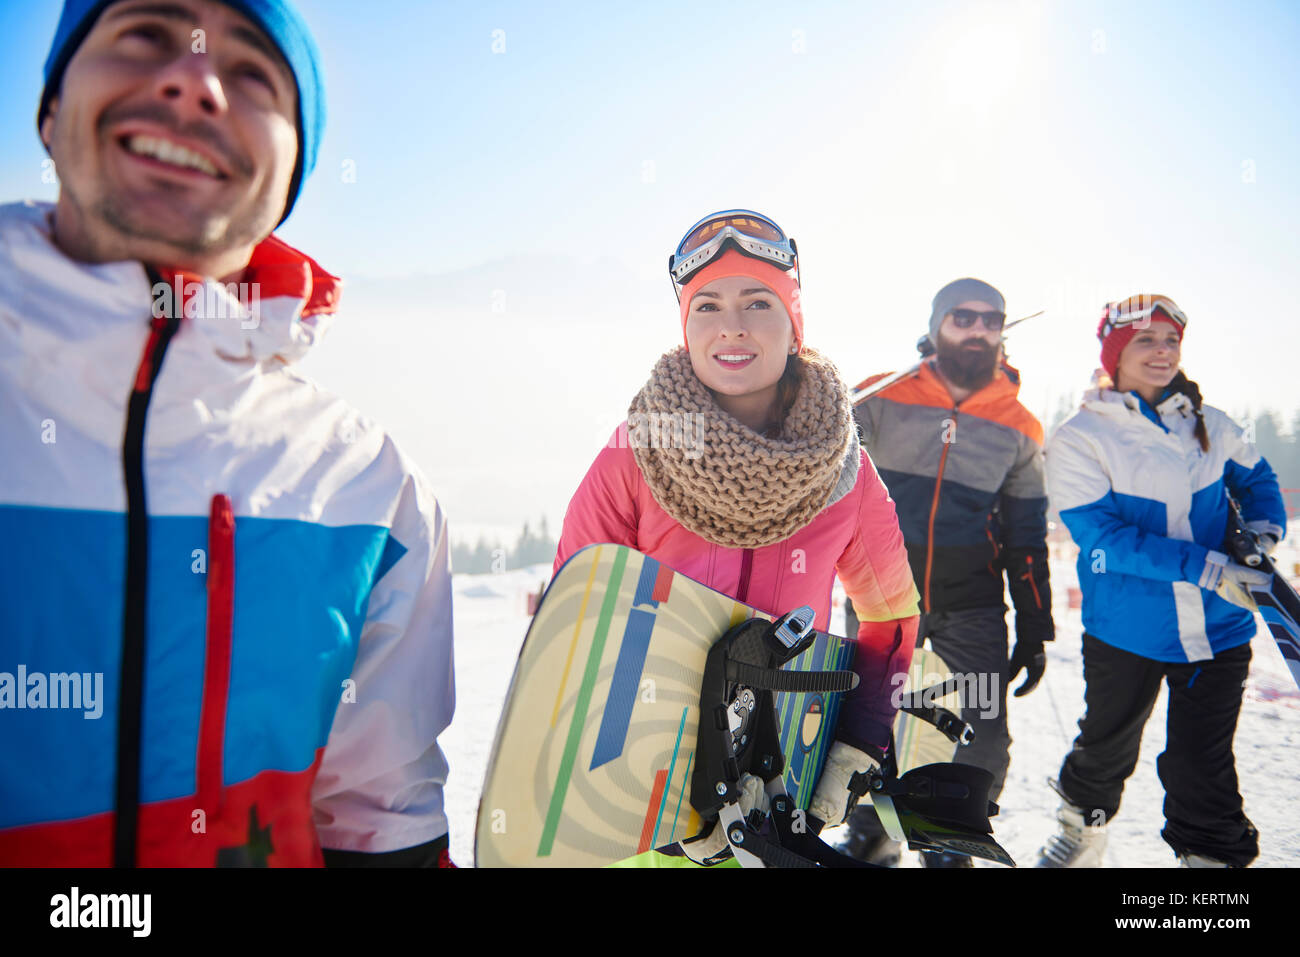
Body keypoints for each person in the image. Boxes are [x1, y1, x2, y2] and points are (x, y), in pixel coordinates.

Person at [0, 0, 455, 867]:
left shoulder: (370, 489)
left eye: (251, 72)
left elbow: (379, 825)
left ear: (291, 177)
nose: (195, 79)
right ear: (50, 111)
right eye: (143, 34)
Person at [553, 210, 921, 864]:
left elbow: (889, 612)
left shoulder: (845, 470)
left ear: (794, 323)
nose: (733, 326)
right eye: (708, 306)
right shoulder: (635, 454)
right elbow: (577, 617)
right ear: (685, 325)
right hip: (643, 795)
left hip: (777, 792)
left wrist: (861, 739)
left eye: (759, 302)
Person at [1036, 295, 1284, 868]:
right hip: (1127, 628)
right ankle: (1081, 834)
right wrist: (1206, 567)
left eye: (1171, 341)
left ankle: (1209, 860)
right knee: (1106, 747)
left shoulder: (1209, 423)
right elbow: (1104, 538)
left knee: (1203, 759)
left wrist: (1263, 539)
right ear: (1116, 352)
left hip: (1218, 629)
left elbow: (1260, 480)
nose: (1162, 352)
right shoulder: (1081, 436)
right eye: (1146, 340)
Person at [843, 278, 1055, 867]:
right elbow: (823, 453)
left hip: (973, 604)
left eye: (992, 319)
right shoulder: (881, 396)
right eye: (964, 317)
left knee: (978, 730)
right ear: (938, 325)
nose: (979, 328)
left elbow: (1027, 536)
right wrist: (833, 406)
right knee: (869, 718)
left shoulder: (1019, 426)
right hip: (879, 597)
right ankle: (872, 832)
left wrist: (1037, 625)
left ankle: (949, 841)